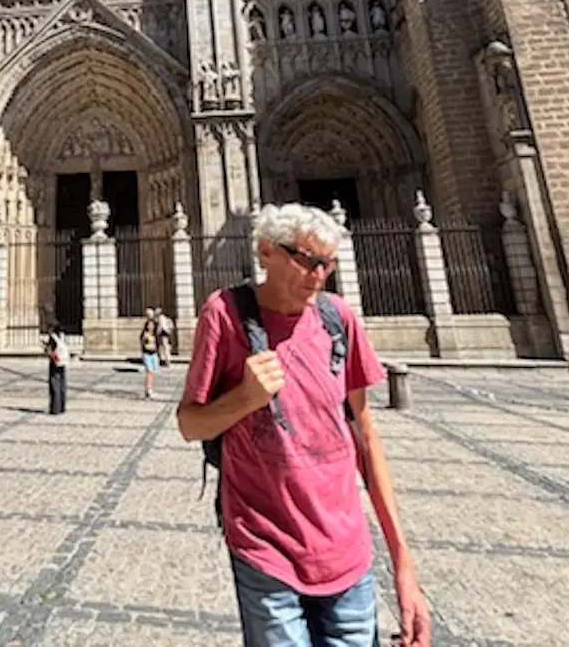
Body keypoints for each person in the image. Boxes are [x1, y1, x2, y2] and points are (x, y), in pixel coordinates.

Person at [177, 203, 430, 647]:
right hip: (264, 549)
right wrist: (245, 399)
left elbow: (367, 439)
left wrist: (404, 567)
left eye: (326, 264)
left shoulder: (338, 321)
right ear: (265, 252)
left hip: (345, 552)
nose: (317, 275)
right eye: (305, 260)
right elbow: (190, 423)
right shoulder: (225, 314)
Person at [44, 320, 69, 415]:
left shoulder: (52, 337)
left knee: (54, 384)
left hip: (55, 362)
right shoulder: (62, 336)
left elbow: (50, 350)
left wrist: (46, 348)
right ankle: (62, 406)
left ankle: (55, 408)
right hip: (64, 362)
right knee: (62, 384)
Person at [139, 308, 159, 399]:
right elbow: (142, 344)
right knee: (149, 372)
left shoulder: (154, 334)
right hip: (147, 354)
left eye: (152, 325)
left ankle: (150, 388)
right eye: (149, 325)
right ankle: (148, 390)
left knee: (152, 372)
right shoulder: (145, 334)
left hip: (153, 354)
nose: (151, 327)